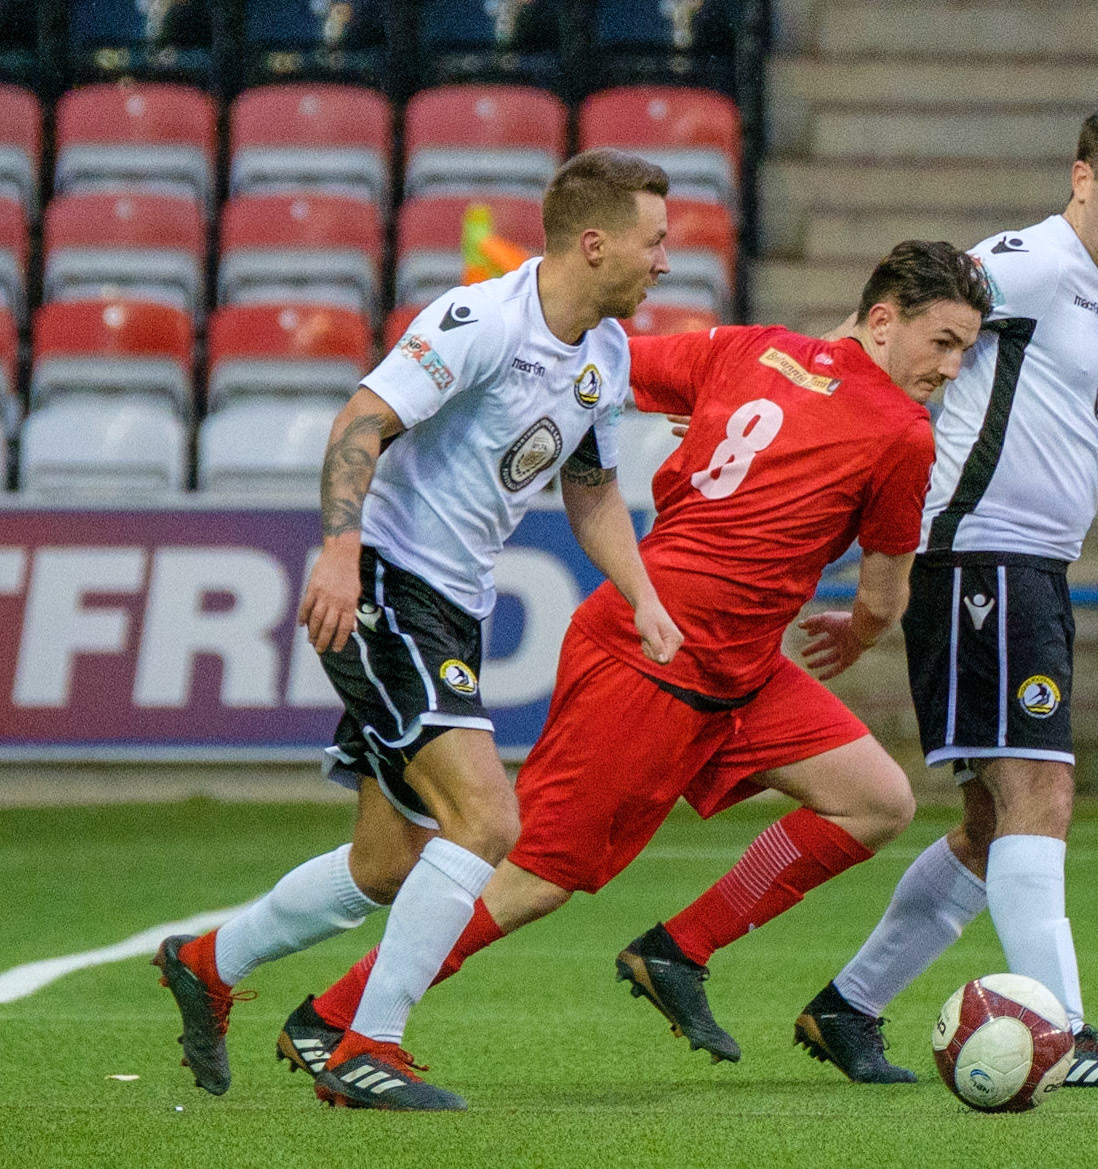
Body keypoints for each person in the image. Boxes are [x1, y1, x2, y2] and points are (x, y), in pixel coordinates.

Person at [274, 241, 993, 1077]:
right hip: (655, 658)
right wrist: (862, 634)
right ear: (880, 322)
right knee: (530, 876)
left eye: (966, 348)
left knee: (876, 799)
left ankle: (677, 951)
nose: (953, 365)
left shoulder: (747, 348)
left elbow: (600, 364)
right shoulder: (904, 432)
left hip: (738, 662)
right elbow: (882, 594)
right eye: (942, 341)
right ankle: (335, 1014)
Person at [152, 150, 683, 1110]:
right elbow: (363, 418)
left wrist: (642, 593)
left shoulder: (603, 355)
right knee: (489, 820)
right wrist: (339, 551)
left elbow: (592, 488)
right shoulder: (479, 320)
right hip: (391, 588)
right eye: (655, 242)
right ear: (595, 243)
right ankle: (367, 1048)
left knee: (387, 862)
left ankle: (205, 960)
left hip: (456, 607)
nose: (666, 263)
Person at [801, 104, 1098, 1088]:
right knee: (1038, 794)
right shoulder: (1031, 263)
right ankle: (1072, 1037)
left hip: (1028, 571)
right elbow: (890, 321)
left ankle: (847, 1009)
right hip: (984, 561)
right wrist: (794, 394)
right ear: (1083, 179)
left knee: (987, 824)